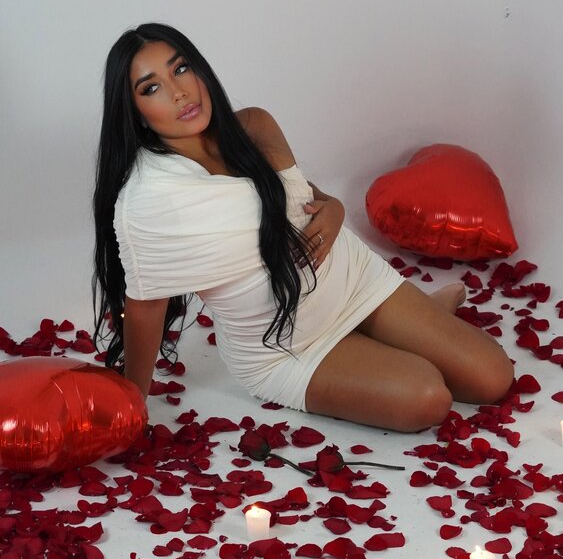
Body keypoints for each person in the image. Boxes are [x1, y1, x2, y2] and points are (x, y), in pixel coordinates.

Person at [93, 23, 514, 432]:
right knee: (427, 397)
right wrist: (134, 400)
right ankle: (402, 334)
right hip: (286, 348)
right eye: (151, 88)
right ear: (136, 114)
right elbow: (146, 303)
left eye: (181, 68)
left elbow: (299, 196)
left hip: (353, 282)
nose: (179, 92)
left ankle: (407, 325)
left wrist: (336, 208)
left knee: (493, 377)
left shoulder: (254, 126)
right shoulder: (150, 198)